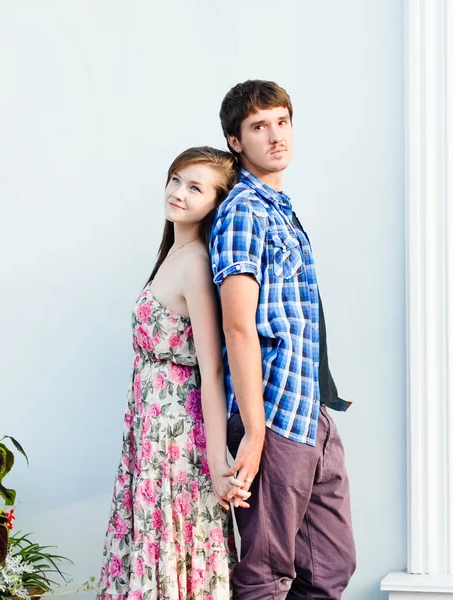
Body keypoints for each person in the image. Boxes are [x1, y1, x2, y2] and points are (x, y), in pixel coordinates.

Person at [209, 80, 356, 600]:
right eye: (258, 126)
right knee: (265, 573)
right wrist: (253, 430)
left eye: (281, 122)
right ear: (235, 140)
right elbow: (238, 325)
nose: (275, 135)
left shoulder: (278, 208)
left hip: (308, 406)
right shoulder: (243, 211)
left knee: (329, 565)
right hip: (271, 414)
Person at [97, 146, 248, 600]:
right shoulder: (174, 254)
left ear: (215, 203)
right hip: (150, 433)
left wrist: (219, 459)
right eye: (176, 179)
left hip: (176, 440)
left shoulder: (197, 264)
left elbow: (213, 369)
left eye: (195, 187)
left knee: (177, 544)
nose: (179, 192)